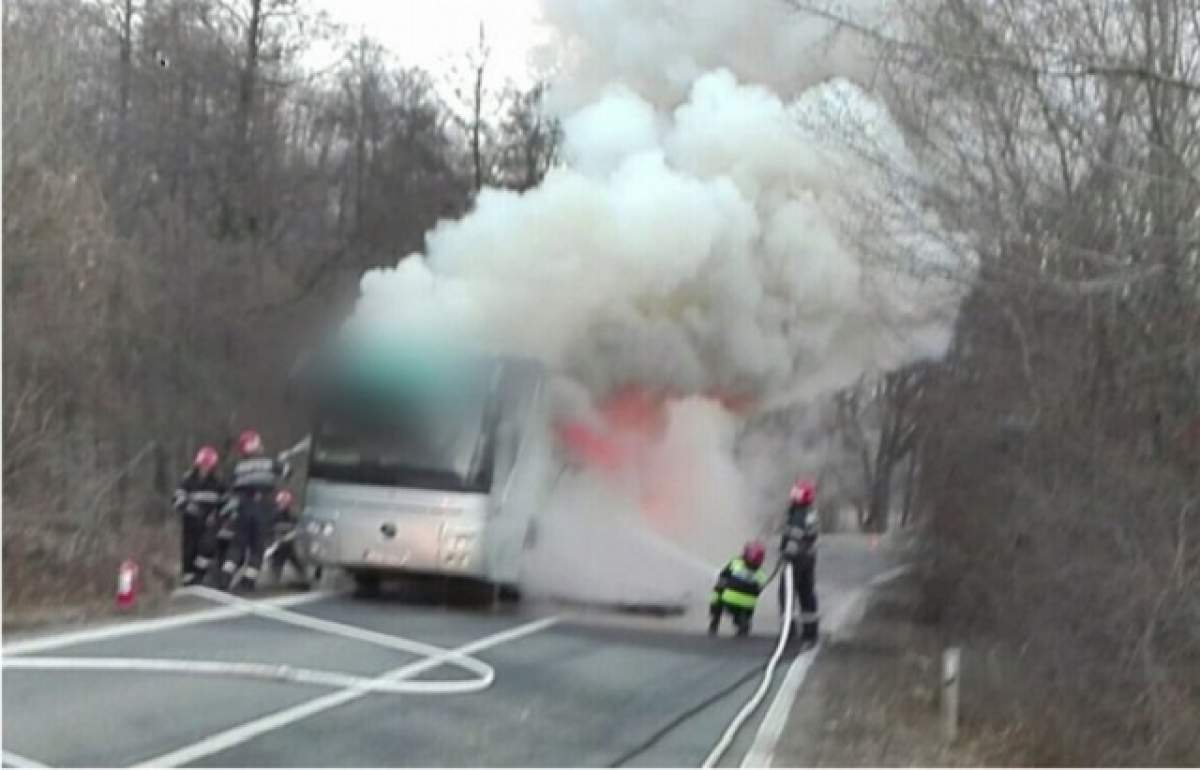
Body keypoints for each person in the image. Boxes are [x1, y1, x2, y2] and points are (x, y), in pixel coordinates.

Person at [219, 429, 290, 592]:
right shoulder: (271, 463)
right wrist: (280, 463)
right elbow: (288, 472)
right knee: (257, 547)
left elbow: (228, 485)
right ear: (256, 446)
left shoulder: (237, 467)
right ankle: (247, 582)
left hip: (243, 507)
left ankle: (225, 576)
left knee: (238, 544)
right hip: (263, 508)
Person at [172, 446, 227, 586]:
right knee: (189, 549)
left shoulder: (217, 482)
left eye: (207, 466)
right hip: (191, 520)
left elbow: (225, 501)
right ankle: (188, 578)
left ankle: (199, 573)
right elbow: (177, 497)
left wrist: (217, 515)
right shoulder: (188, 480)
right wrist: (188, 507)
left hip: (210, 521)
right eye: (202, 465)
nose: (204, 469)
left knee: (208, 547)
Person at [780, 478, 820, 649]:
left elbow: (795, 535)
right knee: (806, 593)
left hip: (795, 559)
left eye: (795, 494)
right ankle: (810, 632)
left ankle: (789, 631)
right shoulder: (811, 512)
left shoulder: (799, 513)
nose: (793, 497)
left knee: (787, 594)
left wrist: (789, 551)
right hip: (808, 559)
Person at [709, 541, 769, 637]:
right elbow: (759, 590)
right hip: (747, 606)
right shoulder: (761, 574)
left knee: (718, 591)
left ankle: (715, 620)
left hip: (728, 600)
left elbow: (723, 575)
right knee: (750, 601)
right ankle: (743, 623)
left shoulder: (735, 563)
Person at [266, 489, 311, 589]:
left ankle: (304, 580)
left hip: (288, 544)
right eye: (282, 503)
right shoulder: (274, 514)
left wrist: (292, 532)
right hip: (279, 543)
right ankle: (273, 582)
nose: (283, 505)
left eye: (285, 503)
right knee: (278, 562)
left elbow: (296, 526)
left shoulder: (290, 515)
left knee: (296, 563)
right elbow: (270, 527)